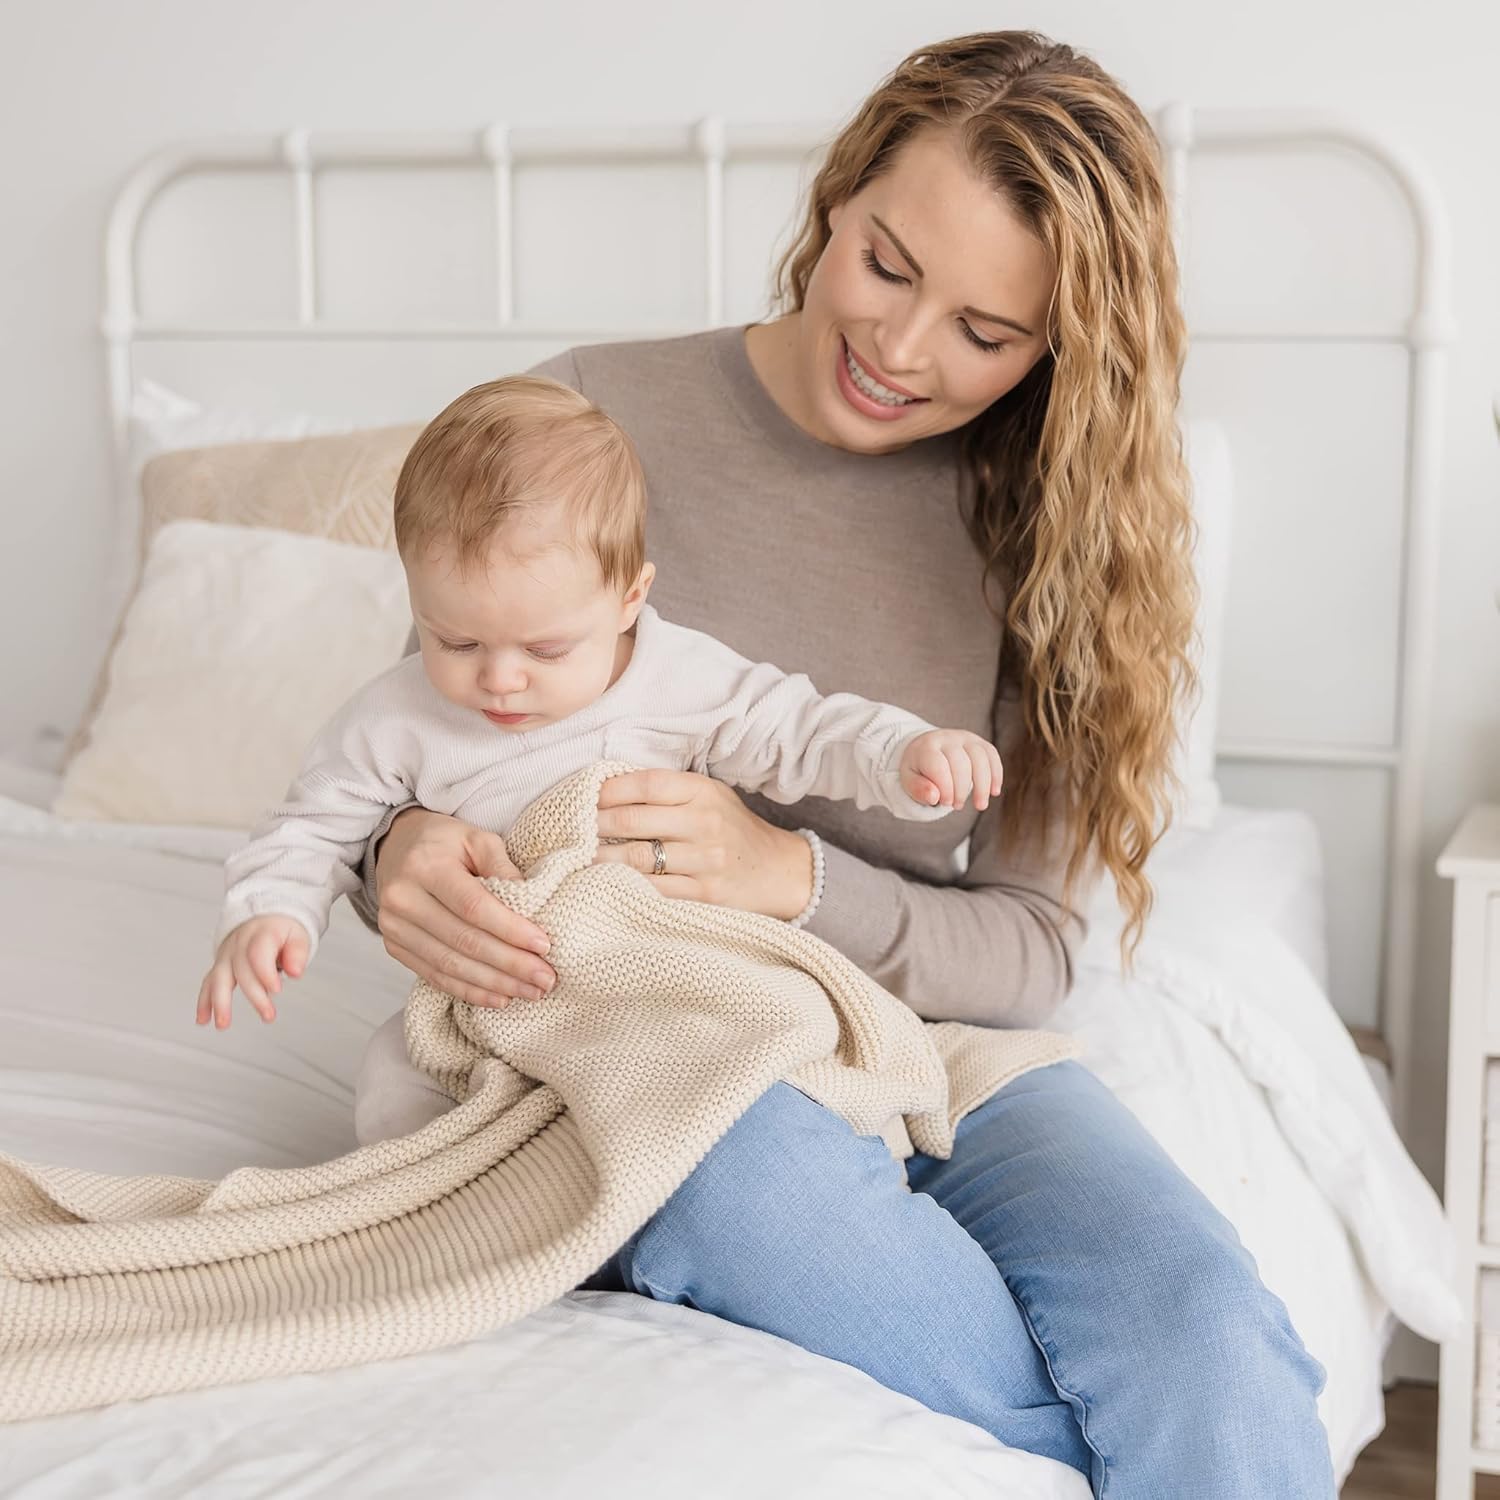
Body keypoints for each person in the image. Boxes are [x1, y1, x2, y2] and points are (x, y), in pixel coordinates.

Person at [354, 31, 1335, 1498]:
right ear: (837, 198)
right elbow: (398, 748)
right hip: (656, 1041)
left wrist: (790, 876)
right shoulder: (585, 420)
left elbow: (1028, 956)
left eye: (985, 334)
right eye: (886, 264)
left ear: (1058, 349)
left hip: (939, 1055)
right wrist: (396, 862)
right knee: (758, 1194)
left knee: (1204, 1329)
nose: (900, 348)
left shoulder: (1059, 539)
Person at [196, 375, 1002, 1034]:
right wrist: (273, 916)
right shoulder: (394, 717)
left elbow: (803, 730)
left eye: (546, 650)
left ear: (628, 598)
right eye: (456, 642)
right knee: (393, 1088)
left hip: (664, 990)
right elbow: (312, 825)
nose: (500, 681)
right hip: (497, 1007)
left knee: (770, 1033)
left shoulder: (678, 678)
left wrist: (904, 754)